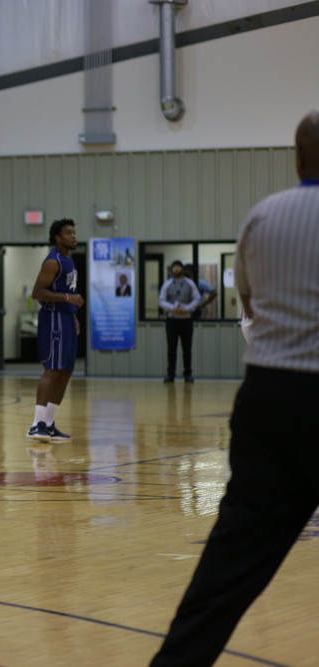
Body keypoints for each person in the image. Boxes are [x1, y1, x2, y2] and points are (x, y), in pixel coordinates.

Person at [150, 110, 319, 666]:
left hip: (269, 399)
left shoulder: (264, 216)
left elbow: (249, 304)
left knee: (228, 567)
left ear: (297, 156)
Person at [26, 218, 84, 443]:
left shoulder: (69, 261)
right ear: (58, 237)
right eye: (68, 233)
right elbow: (37, 292)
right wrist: (68, 298)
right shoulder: (53, 261)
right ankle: (36, 425)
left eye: (74, 232)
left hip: (67, 318)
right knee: (52, 369)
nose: (73, 236)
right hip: (53, 320)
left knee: (66, 370)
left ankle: (49, 425)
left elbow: (65, 290)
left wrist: (74, 315)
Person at [158, 260, 201, 383]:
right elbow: (161, 301)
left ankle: (188, 374)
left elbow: (197, 299)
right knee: (171, 348)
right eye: (174, 267)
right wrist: (173, 308)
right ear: (172, 270)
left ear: (182, 269)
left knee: (187, 348)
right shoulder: (167, 284)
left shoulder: (190, 284)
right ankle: (171, 374)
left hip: (186, 320)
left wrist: (186, 309)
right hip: (172, 320)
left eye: (178, 266)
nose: (176, 269)